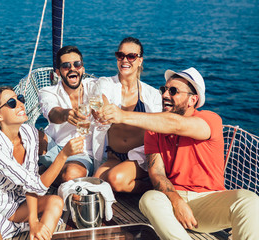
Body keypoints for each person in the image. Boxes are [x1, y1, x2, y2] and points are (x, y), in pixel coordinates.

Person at [100, 67, 259, 239]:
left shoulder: (209, 120)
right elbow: (157, 173)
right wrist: (176, 201)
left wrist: (121, 116)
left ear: (192, 100)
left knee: (249, 199)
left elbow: (177, 125)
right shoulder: (154, 131)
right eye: (164, 89)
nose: (165, 95)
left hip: (209, 200)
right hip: (172, 199)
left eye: (173, 91)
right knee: (149, 199)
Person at [0, 86, 84, 240]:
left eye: (20, 99)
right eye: (11, 103)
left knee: (56, 202)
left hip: (15, 206)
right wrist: (63, 154)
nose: (20, 104)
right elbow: (36, 185)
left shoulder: (29, 133)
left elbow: (31, 182)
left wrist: (34, 222)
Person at [92, 37, 162, 193]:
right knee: (95, 184)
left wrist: (121, 114)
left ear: (140, 61)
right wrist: (99, 110)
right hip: (114, 156)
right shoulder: (106, 83)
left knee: (116, 179)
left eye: (131, 56)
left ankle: (152, 188)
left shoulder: (152, 95)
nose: (125, 60)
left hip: (140, 158)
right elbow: (98, 99)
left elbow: (159, 123)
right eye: (120, 55)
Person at [38, 45, 96, 185]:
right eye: (65, 66)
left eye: (77, 64)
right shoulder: (47, 92)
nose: (72, 68)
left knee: (70, 175)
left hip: (82, 154)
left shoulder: (95, 86)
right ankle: (51, 170)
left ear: (82, 68)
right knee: (26, 134)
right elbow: (52, 112)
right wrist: (66, 114)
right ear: (58, 72)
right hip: (54, 147)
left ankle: (42, 175)